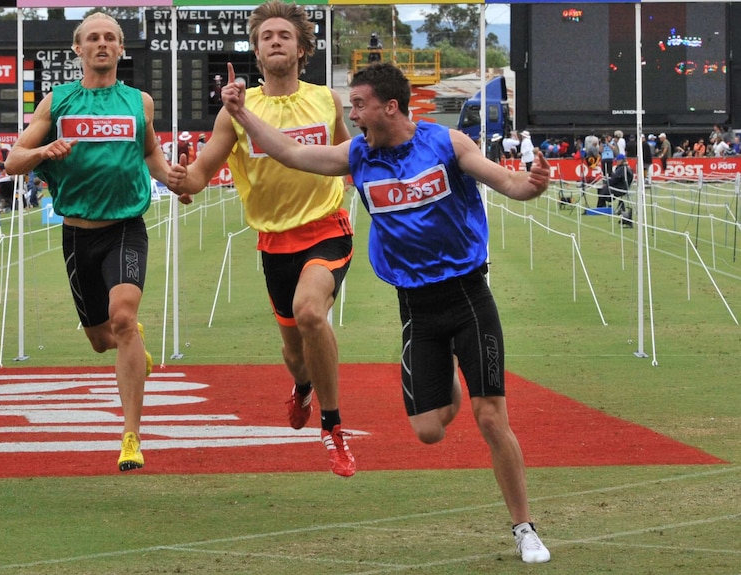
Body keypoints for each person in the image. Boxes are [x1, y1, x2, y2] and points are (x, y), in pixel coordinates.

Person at [216, 60, 552, 563]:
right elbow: (287, 151)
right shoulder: (358, 156)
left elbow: (509, 184)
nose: (351, 115)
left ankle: (524, 527)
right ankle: (453, 381)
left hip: (468, 299)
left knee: (490, 417)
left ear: (389, 107)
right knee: (429, 430)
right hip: (416, 309)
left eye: (358, 105)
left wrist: (535, 183)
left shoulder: (447, 145)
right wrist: (242, 114)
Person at [167, 0, 356, 477]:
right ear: (255, 51)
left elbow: (350, 156)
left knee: (312, 312)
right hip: (275, 243)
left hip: (326, 228)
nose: (275, 41)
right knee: (295, 353)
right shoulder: (236, 111)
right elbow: (201, 173)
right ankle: (303, 389)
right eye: (266, 36)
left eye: (284, 35)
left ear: (301, 48)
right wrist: (178, 179)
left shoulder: (326, 100)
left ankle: (333, 429)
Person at [5, 11, 174, 472]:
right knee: (103, 339)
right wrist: (44, 150)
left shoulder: (140, 102)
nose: (102, 44)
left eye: (110, 38)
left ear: (121, 50)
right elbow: (13, 160)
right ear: (78, 50)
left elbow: (150, 152)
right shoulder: (56, 102)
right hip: (79, 235)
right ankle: (130, 341)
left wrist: (174, 179)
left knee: (123, 316)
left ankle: (131, 436)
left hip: (126, 227)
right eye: (93, 38)